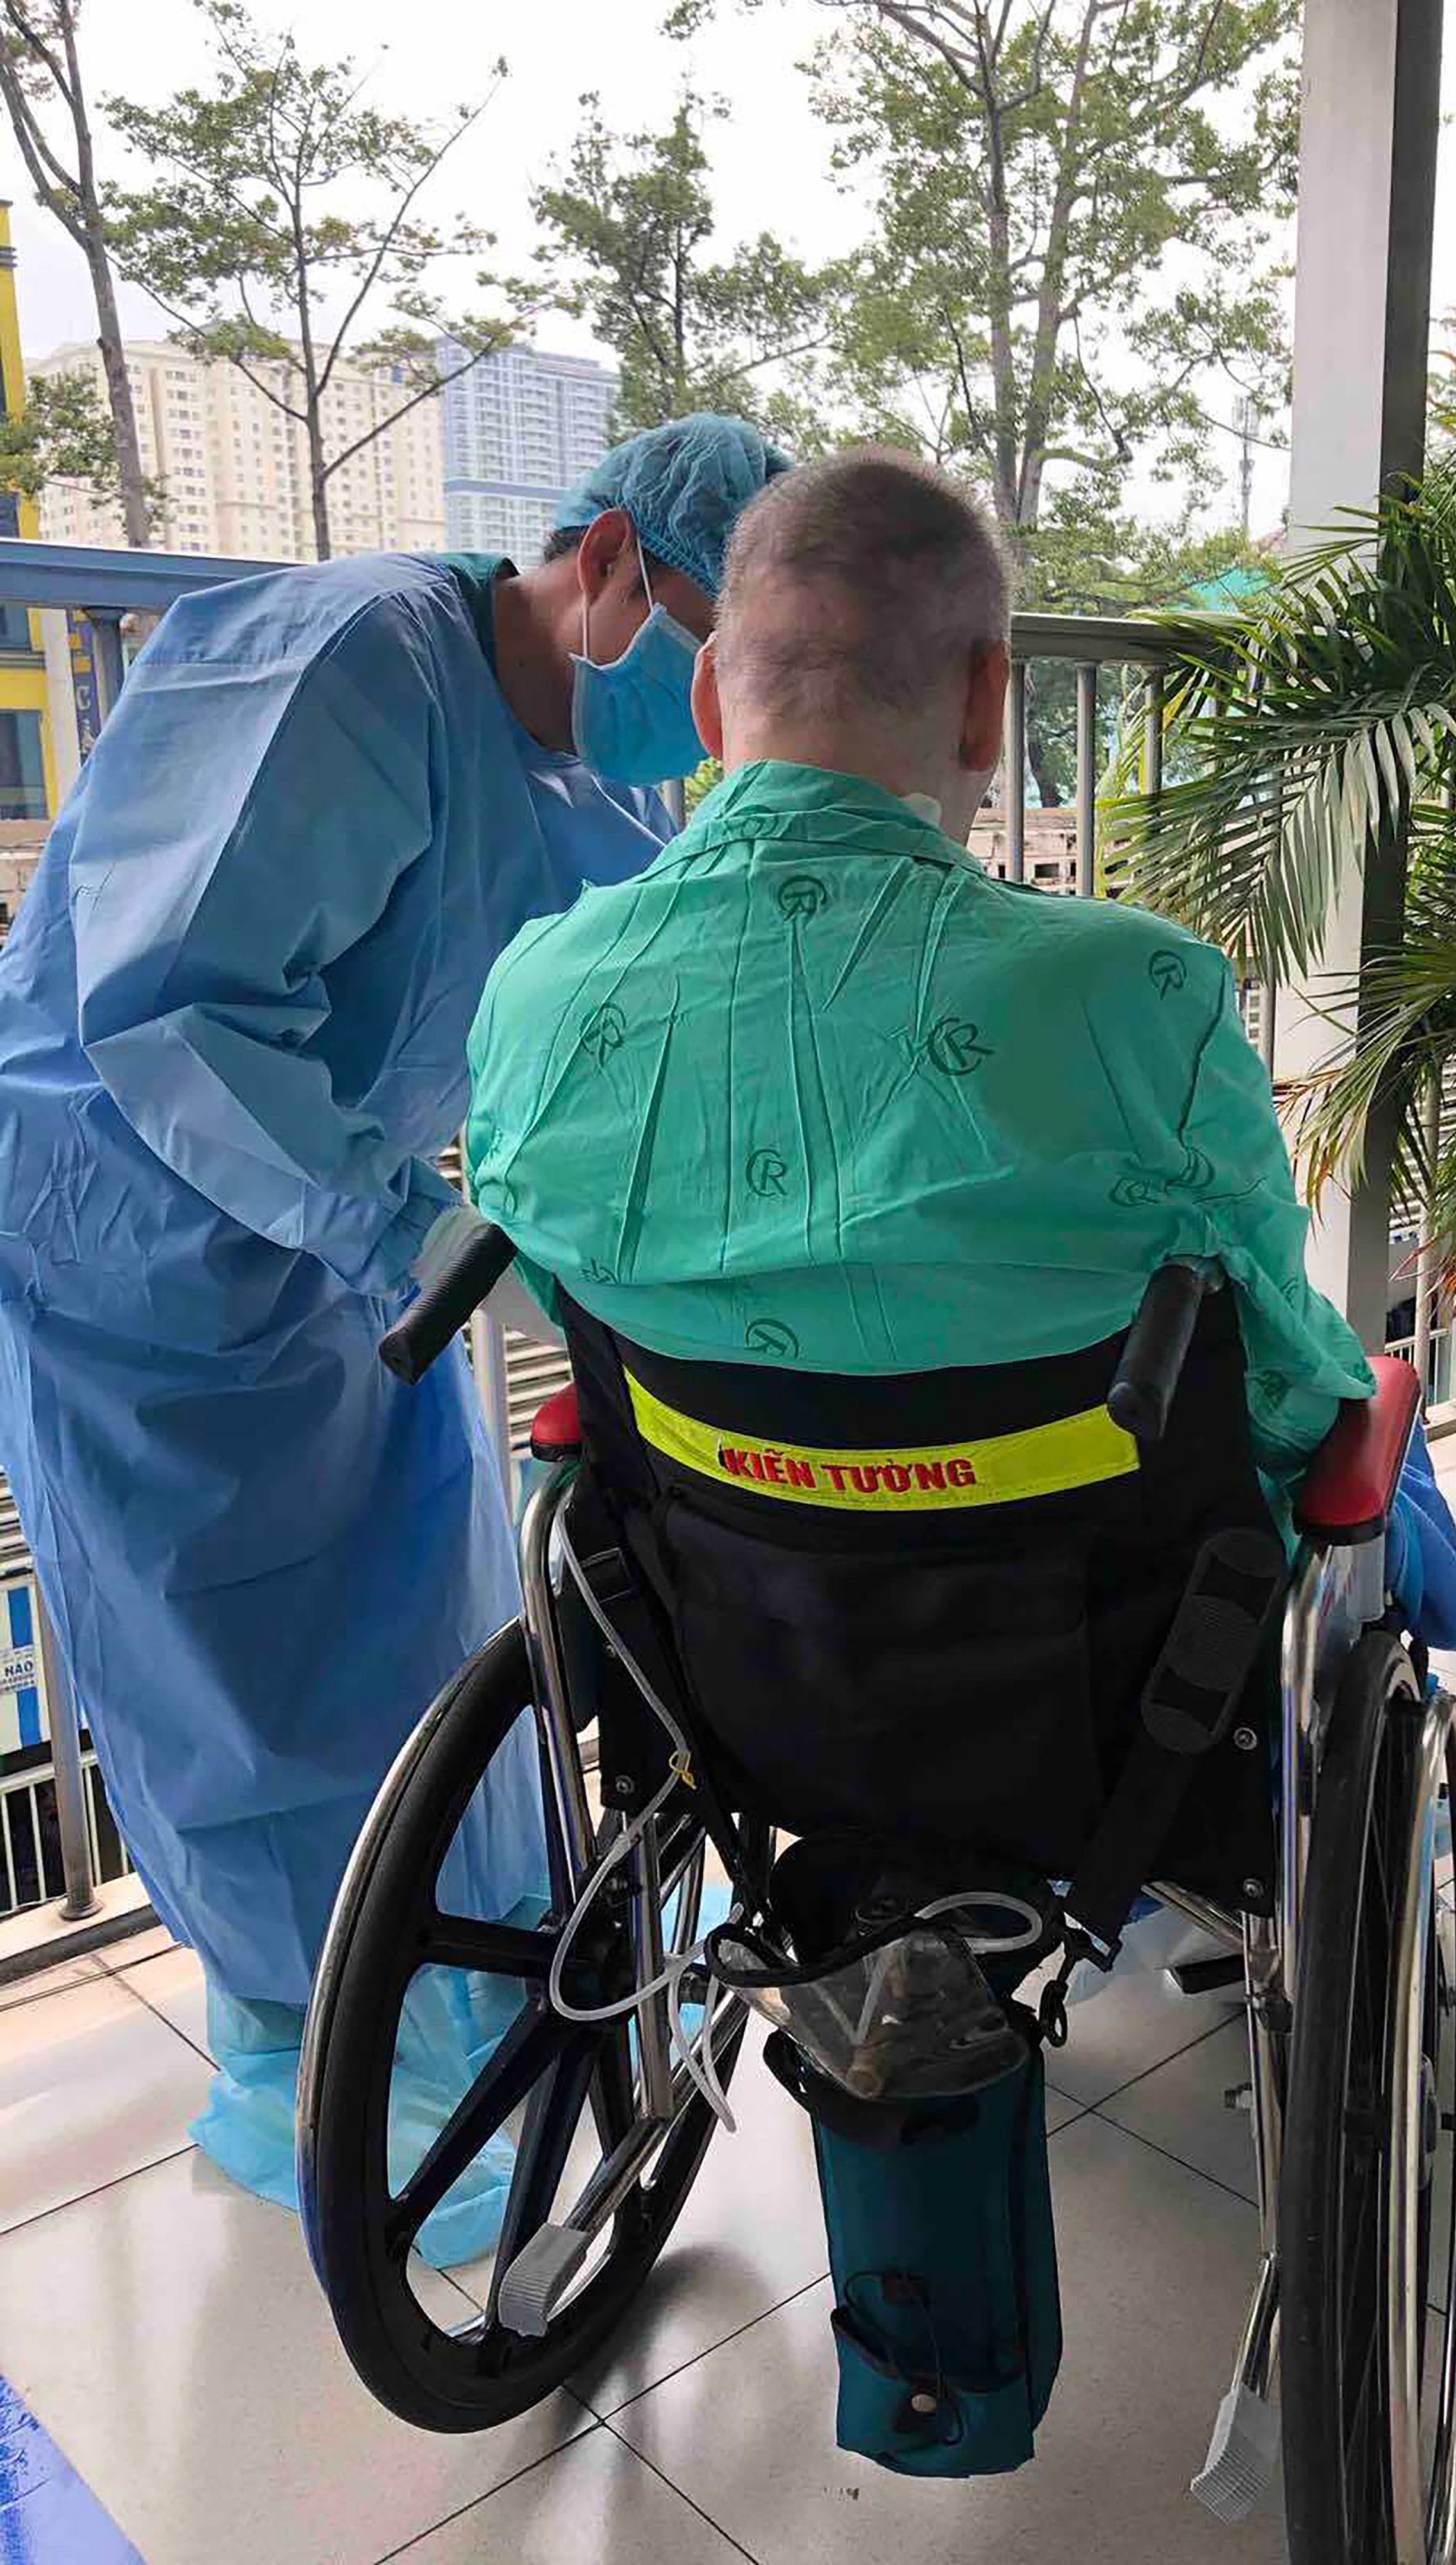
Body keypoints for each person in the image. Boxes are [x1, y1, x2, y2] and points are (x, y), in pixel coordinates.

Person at [0, 412, 789, 2257]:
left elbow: (653, 1015)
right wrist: (396, 1225)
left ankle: (431, 2027)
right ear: (603, 561)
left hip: (346, 1258)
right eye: (698, 647)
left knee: (430, 1638)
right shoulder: (348, 665)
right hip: (130, 1242)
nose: (703, 713)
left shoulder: (595, 800)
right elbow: (172, 1014)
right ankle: (313, 2072)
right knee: (231, 1682)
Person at [464, 446, 1456, 1657]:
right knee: (1376, 1422)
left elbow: (552, 1289)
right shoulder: (1141, 994)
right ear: (987, 698)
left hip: (741, 1656)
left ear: (706, 705)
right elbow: (1275, 1381)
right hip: (1101, 1686)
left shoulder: (537, 989)